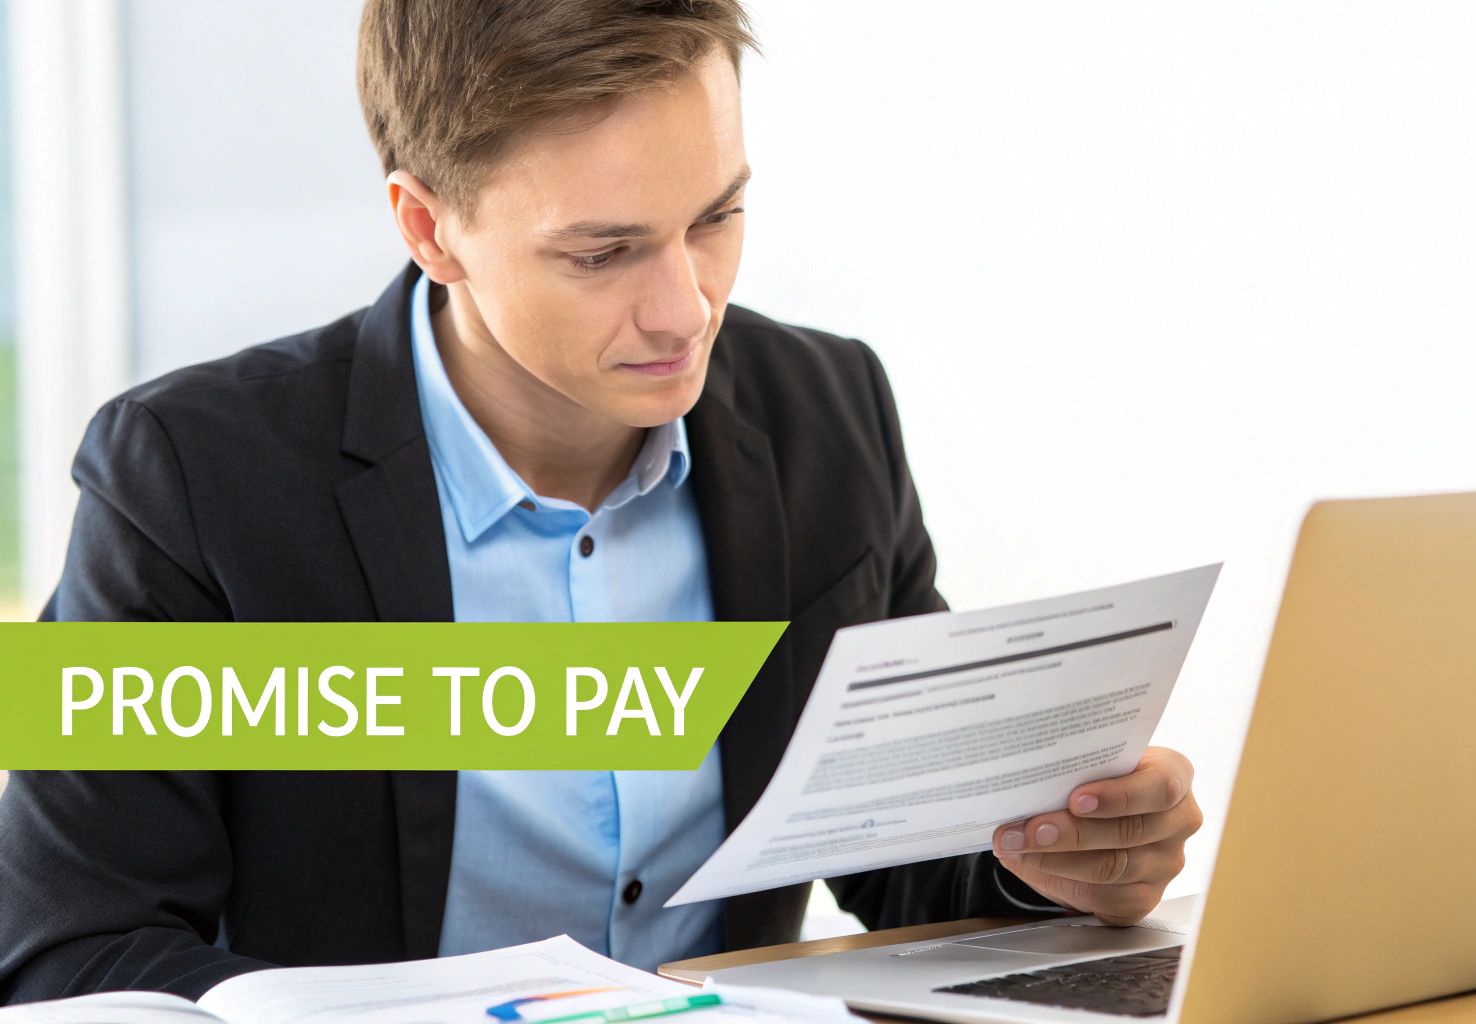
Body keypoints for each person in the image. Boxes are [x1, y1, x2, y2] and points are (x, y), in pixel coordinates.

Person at [0, 0, 1202, 1004]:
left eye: (716, 217)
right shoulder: (193, 478)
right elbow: (71, 953)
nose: (687, 308)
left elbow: (903, 862)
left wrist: (1061, 856)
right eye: (602, 252)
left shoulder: (827, 411)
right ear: (431, 228)